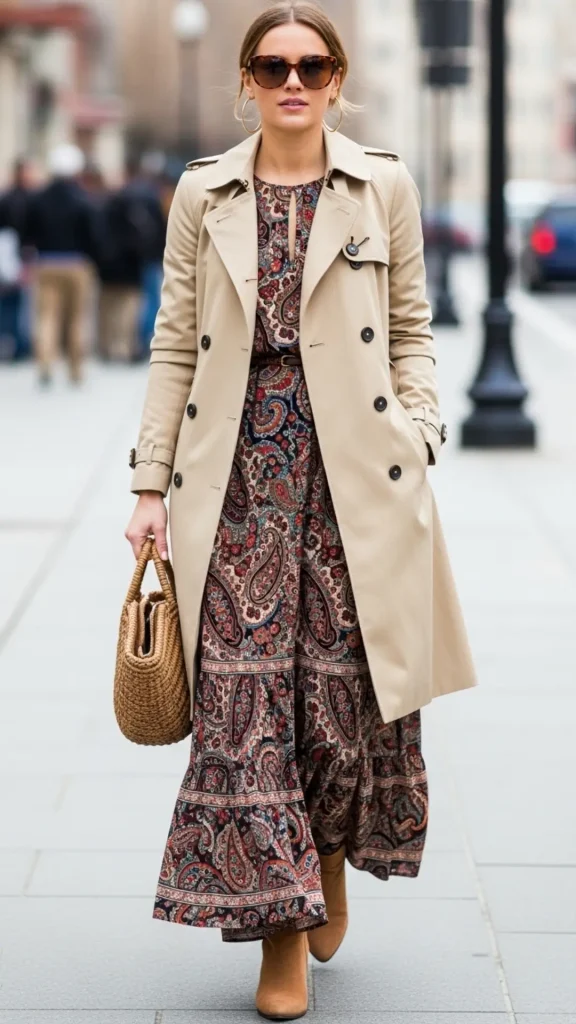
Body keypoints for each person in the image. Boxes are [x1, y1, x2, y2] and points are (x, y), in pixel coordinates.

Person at [125, 2, 477, 1019]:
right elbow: (173, 343)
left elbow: (411, 326)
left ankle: (322, 852)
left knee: (335, 703)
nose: (294, 80)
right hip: (233, 486)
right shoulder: (204, 193)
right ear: (247, 80)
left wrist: (421, 428)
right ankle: (279, 938)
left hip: (356, 481)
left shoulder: (384, 187)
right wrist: (149, 485)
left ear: (336, 78)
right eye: (274, 65)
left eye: (313, 65)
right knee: (241, 711)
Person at [25, 143, 96, 385]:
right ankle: (76, 368)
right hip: (77, 263)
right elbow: (93, 234)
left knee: (47, 316)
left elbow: (27, 232)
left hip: (46, 262)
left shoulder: (39, 198)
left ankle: (45, 362)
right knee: (77, 317)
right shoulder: (82, 199)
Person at [0, 159, 33, 361]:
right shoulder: (27, 199)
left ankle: (12, 341)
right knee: (16, 302)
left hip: (11, 254)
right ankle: (18, 343)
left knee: (11, 302)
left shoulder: (7, 198)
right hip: (16, 254)